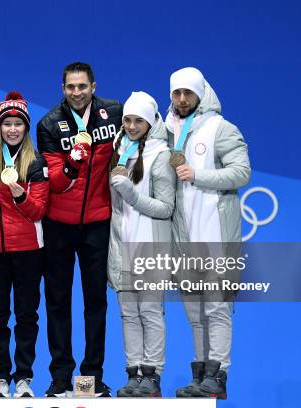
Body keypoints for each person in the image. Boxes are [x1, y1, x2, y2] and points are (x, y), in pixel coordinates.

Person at [36, 62, 122, 397]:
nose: (76, 92)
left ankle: (92, 377)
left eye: (82, 86)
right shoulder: (48, 124)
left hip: (98, 223)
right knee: (58, 301)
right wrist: (72, 161)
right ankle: (60, 377)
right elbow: (54, 181)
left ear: (93, 86)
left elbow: (142, 134)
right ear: (62, 89)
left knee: (95, 301)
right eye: (70, 87)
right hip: (58, 223)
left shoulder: (113, 113)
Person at [166, 67, 251, 400]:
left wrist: (197, 175)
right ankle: (201, 374)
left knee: (216, 309)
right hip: (181, 239)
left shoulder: (221, 128)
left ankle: (219, 375)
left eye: (189, 93)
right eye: (177, 93)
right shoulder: (163, 129)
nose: (183, 99)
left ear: (202, 93)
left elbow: (242, 172)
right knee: (194, 312)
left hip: (215, 235)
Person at [0, 91, 49, 398]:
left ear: (26, 127)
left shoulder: (36, 161)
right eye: (7, 123)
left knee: (26, 316)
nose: (12, 129)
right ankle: (0, 379)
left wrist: (20, 194)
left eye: (18, 123)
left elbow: (38, 210)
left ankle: (24, 379)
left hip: (28, 251)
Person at [107, 92, 176, 398]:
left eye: (139, 121)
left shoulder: (161, 156)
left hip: (150, 247)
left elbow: (166, 208)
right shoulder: (117, 150)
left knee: (150, 311)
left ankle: (153, 375)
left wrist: (133, 196)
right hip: (123, 245)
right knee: (128, 314)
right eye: (127, 120)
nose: (132, 126)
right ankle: (133, 373)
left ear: (150, 122)